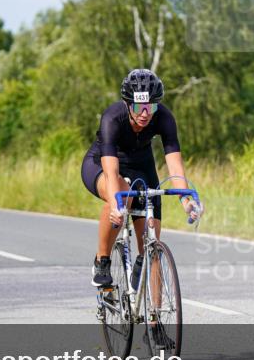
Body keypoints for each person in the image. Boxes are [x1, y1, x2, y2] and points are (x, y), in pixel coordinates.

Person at [81, 69, 202, 290]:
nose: (145, 113)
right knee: (122, 196)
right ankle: (102, 261)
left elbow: (175, 165)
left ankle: (155, 318)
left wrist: (186, 201)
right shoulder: (112, 117)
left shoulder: (164, 118)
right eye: (138, 107)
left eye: (151, 106)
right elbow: (110, 171)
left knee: (151, 238)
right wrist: (117, 205)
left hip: (141, 166)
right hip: (102, 163)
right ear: (128, 104)